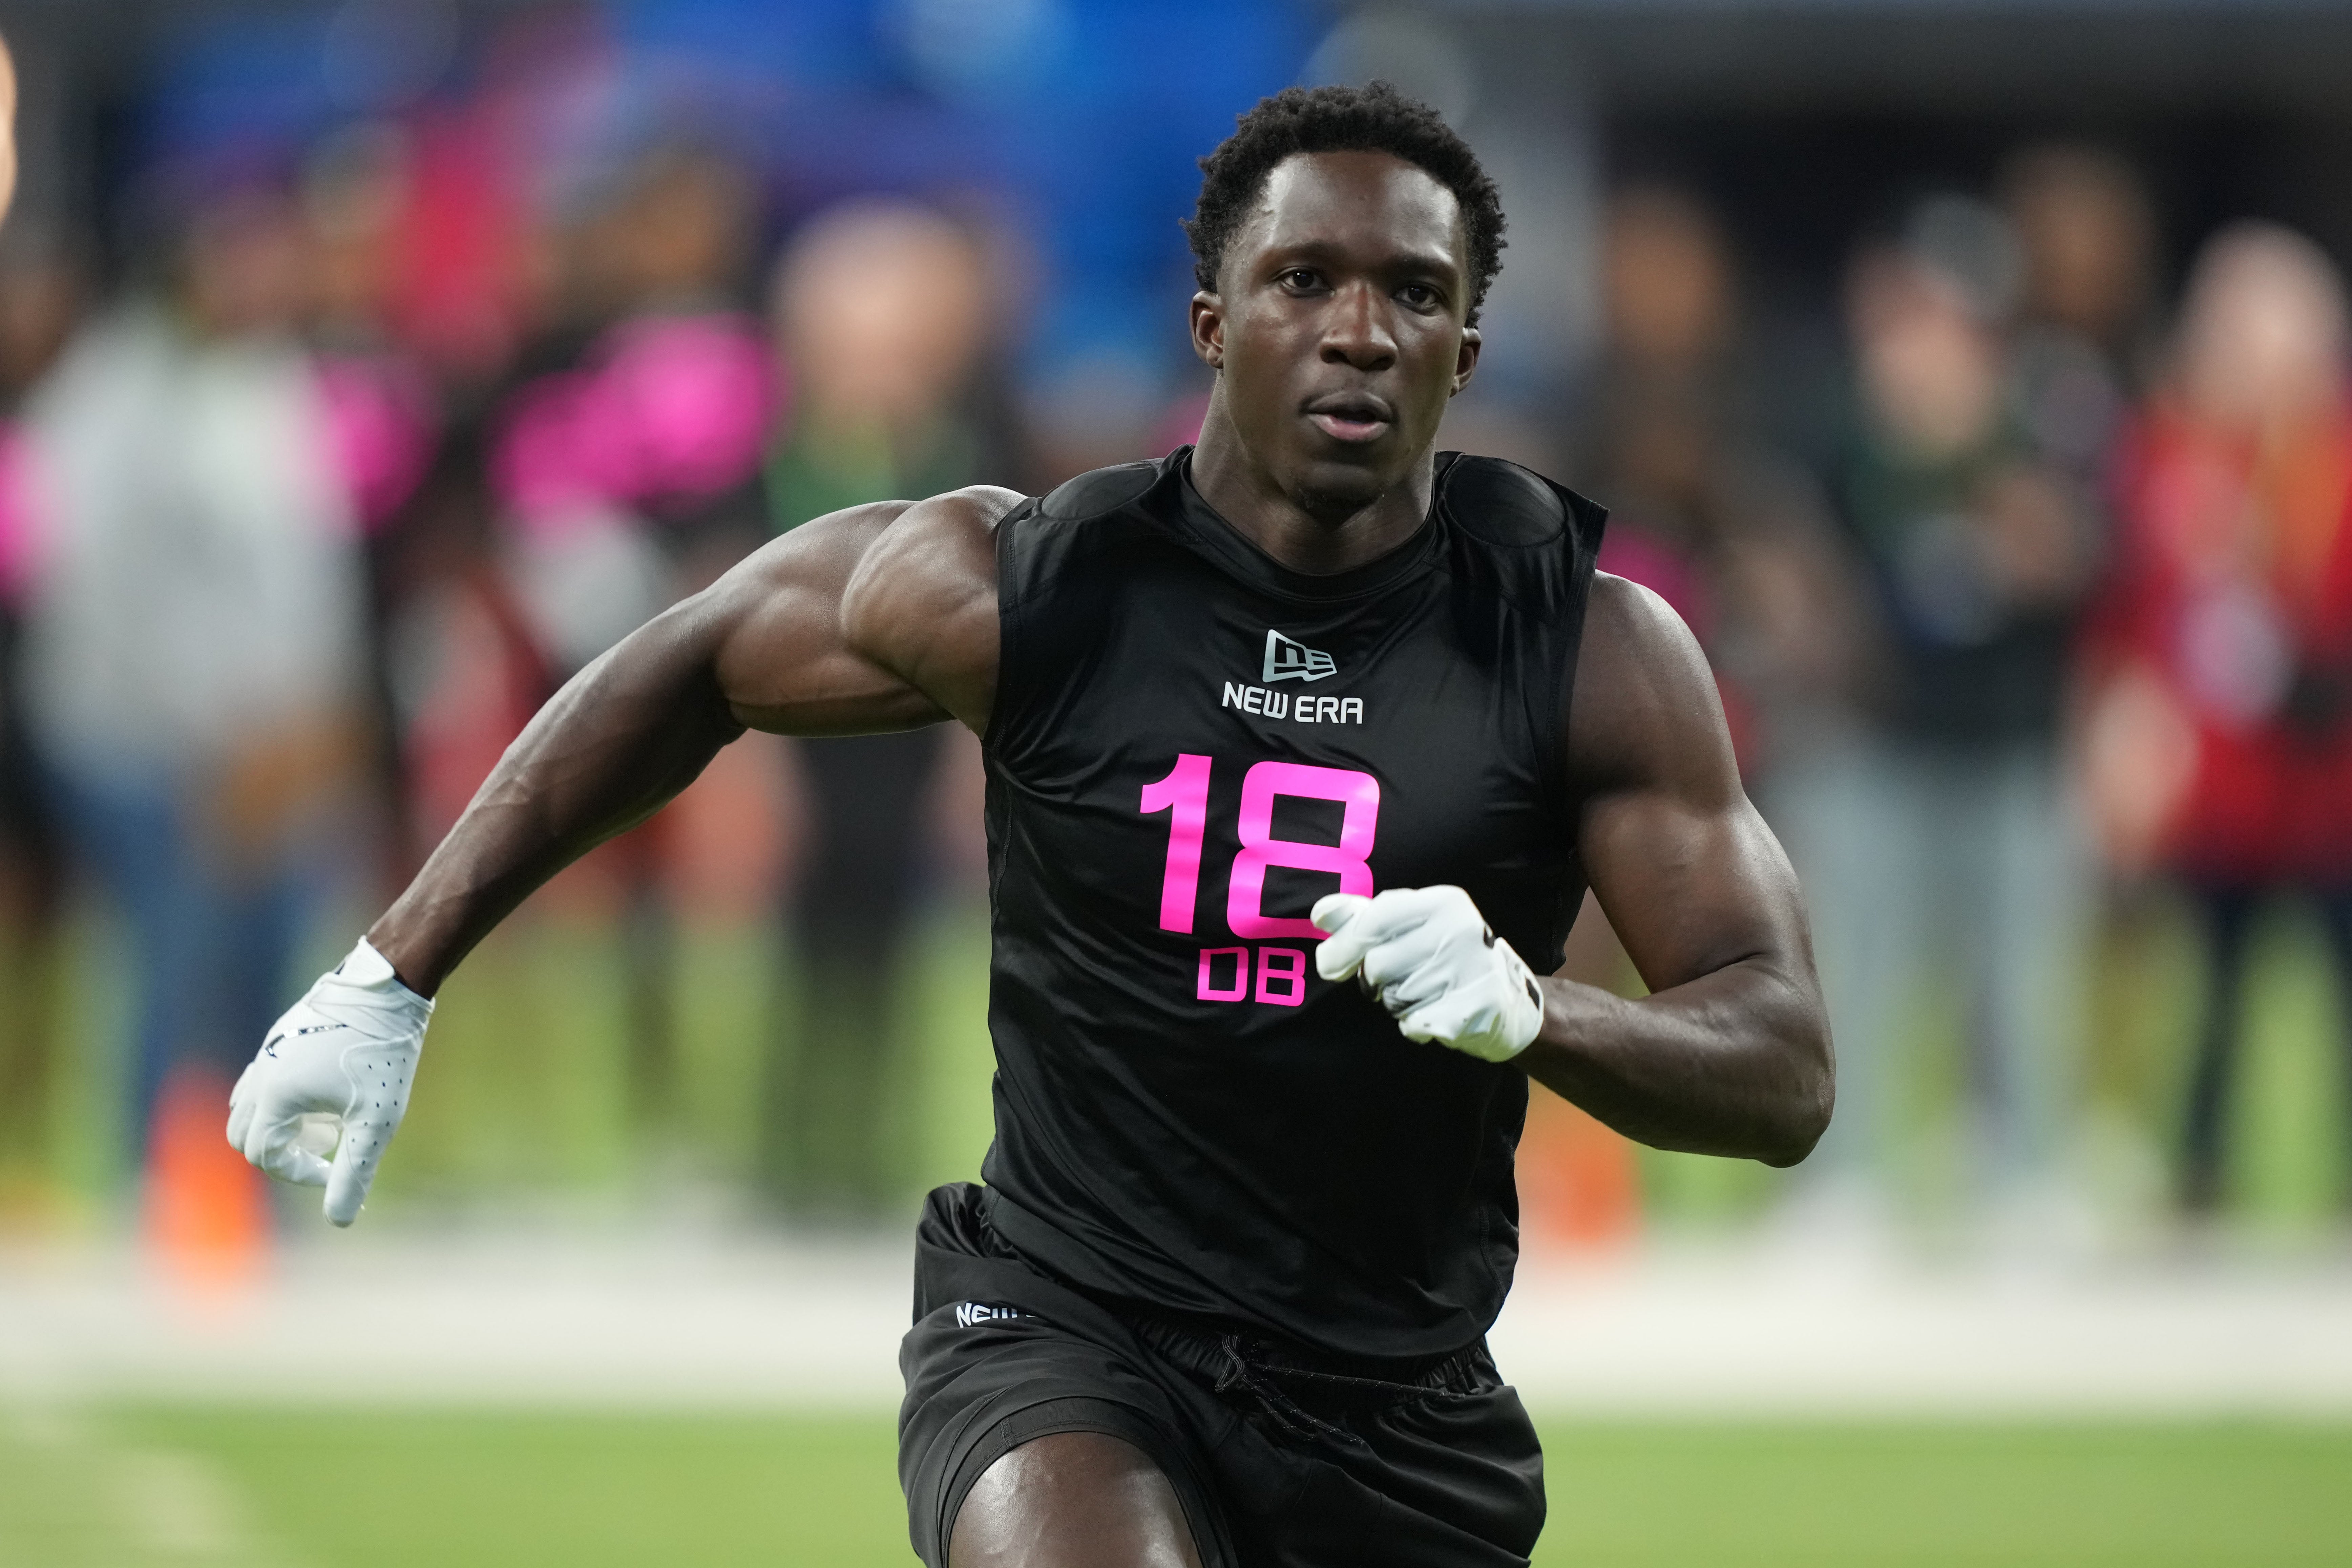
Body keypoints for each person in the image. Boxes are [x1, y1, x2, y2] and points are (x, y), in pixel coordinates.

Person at [228, 85, 1831, 1568]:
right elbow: (694, 655)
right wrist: (390, 971)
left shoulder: (1584, 647)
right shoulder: (1033, 586)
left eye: (1412, 293)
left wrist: (1528, 1011)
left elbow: (1779, 1068)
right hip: (1067, 1327)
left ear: (1464, 353)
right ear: (1212, 321)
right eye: (1302, 282)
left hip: (1396, 1395)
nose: (1356, 331)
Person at [2080, 223, 2352, 1216]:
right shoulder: (2172, 450)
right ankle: (2197, 1170)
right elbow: (2139, 608)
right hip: (2222, 786)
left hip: (2329, 779)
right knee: (2211, 988)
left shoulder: (2332, 458)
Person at [757, 199, 999, 1219]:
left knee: (898, 949)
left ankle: (867, 1149)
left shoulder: (960, 471)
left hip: (903, 752)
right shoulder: (780, 472)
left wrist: (967, 762)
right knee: (802, 948)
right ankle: (793, 1147)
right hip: (802, 747)